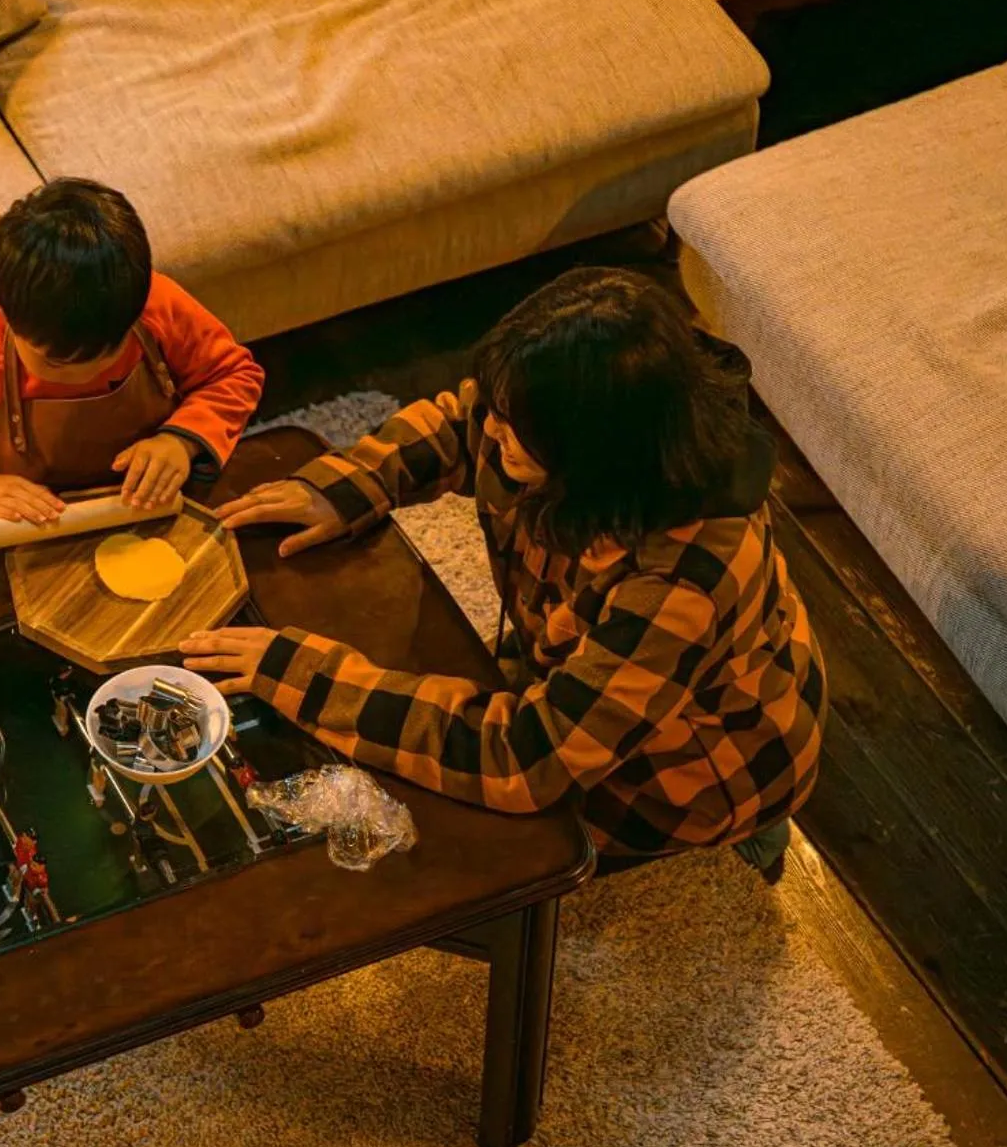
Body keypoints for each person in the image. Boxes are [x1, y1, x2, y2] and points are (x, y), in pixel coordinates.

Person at [182, 268, 825, 873]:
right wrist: (346, 486)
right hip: (576, 674)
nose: (491, 428)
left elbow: (526, 759)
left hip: (688, 779)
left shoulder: (683, 582)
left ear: (590, 457)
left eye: (512, 425)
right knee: (404, 740)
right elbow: (460, 422)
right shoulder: (573, 425)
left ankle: (753, 832)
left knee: (415, 829)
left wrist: (308, 678)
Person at [0, 177, 264, 525]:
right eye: (56, 362)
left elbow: (234, 375)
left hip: (152, 504)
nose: (85, 374)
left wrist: (181, 441)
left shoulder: (155, 304)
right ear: (1, 307)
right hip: (28, 528)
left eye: (110, 353)